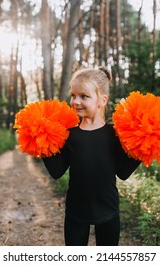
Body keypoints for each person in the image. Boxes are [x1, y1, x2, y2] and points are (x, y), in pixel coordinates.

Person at [42, 66, 140, 246]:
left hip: (108, 211)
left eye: (83, 96)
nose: (76, 101)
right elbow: (56, 172)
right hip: (76, 213)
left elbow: (123, 173)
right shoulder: (68, 135)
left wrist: (141, 148)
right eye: (73, 95)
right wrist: (41, 142)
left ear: (102, 100)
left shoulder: (115, 134)